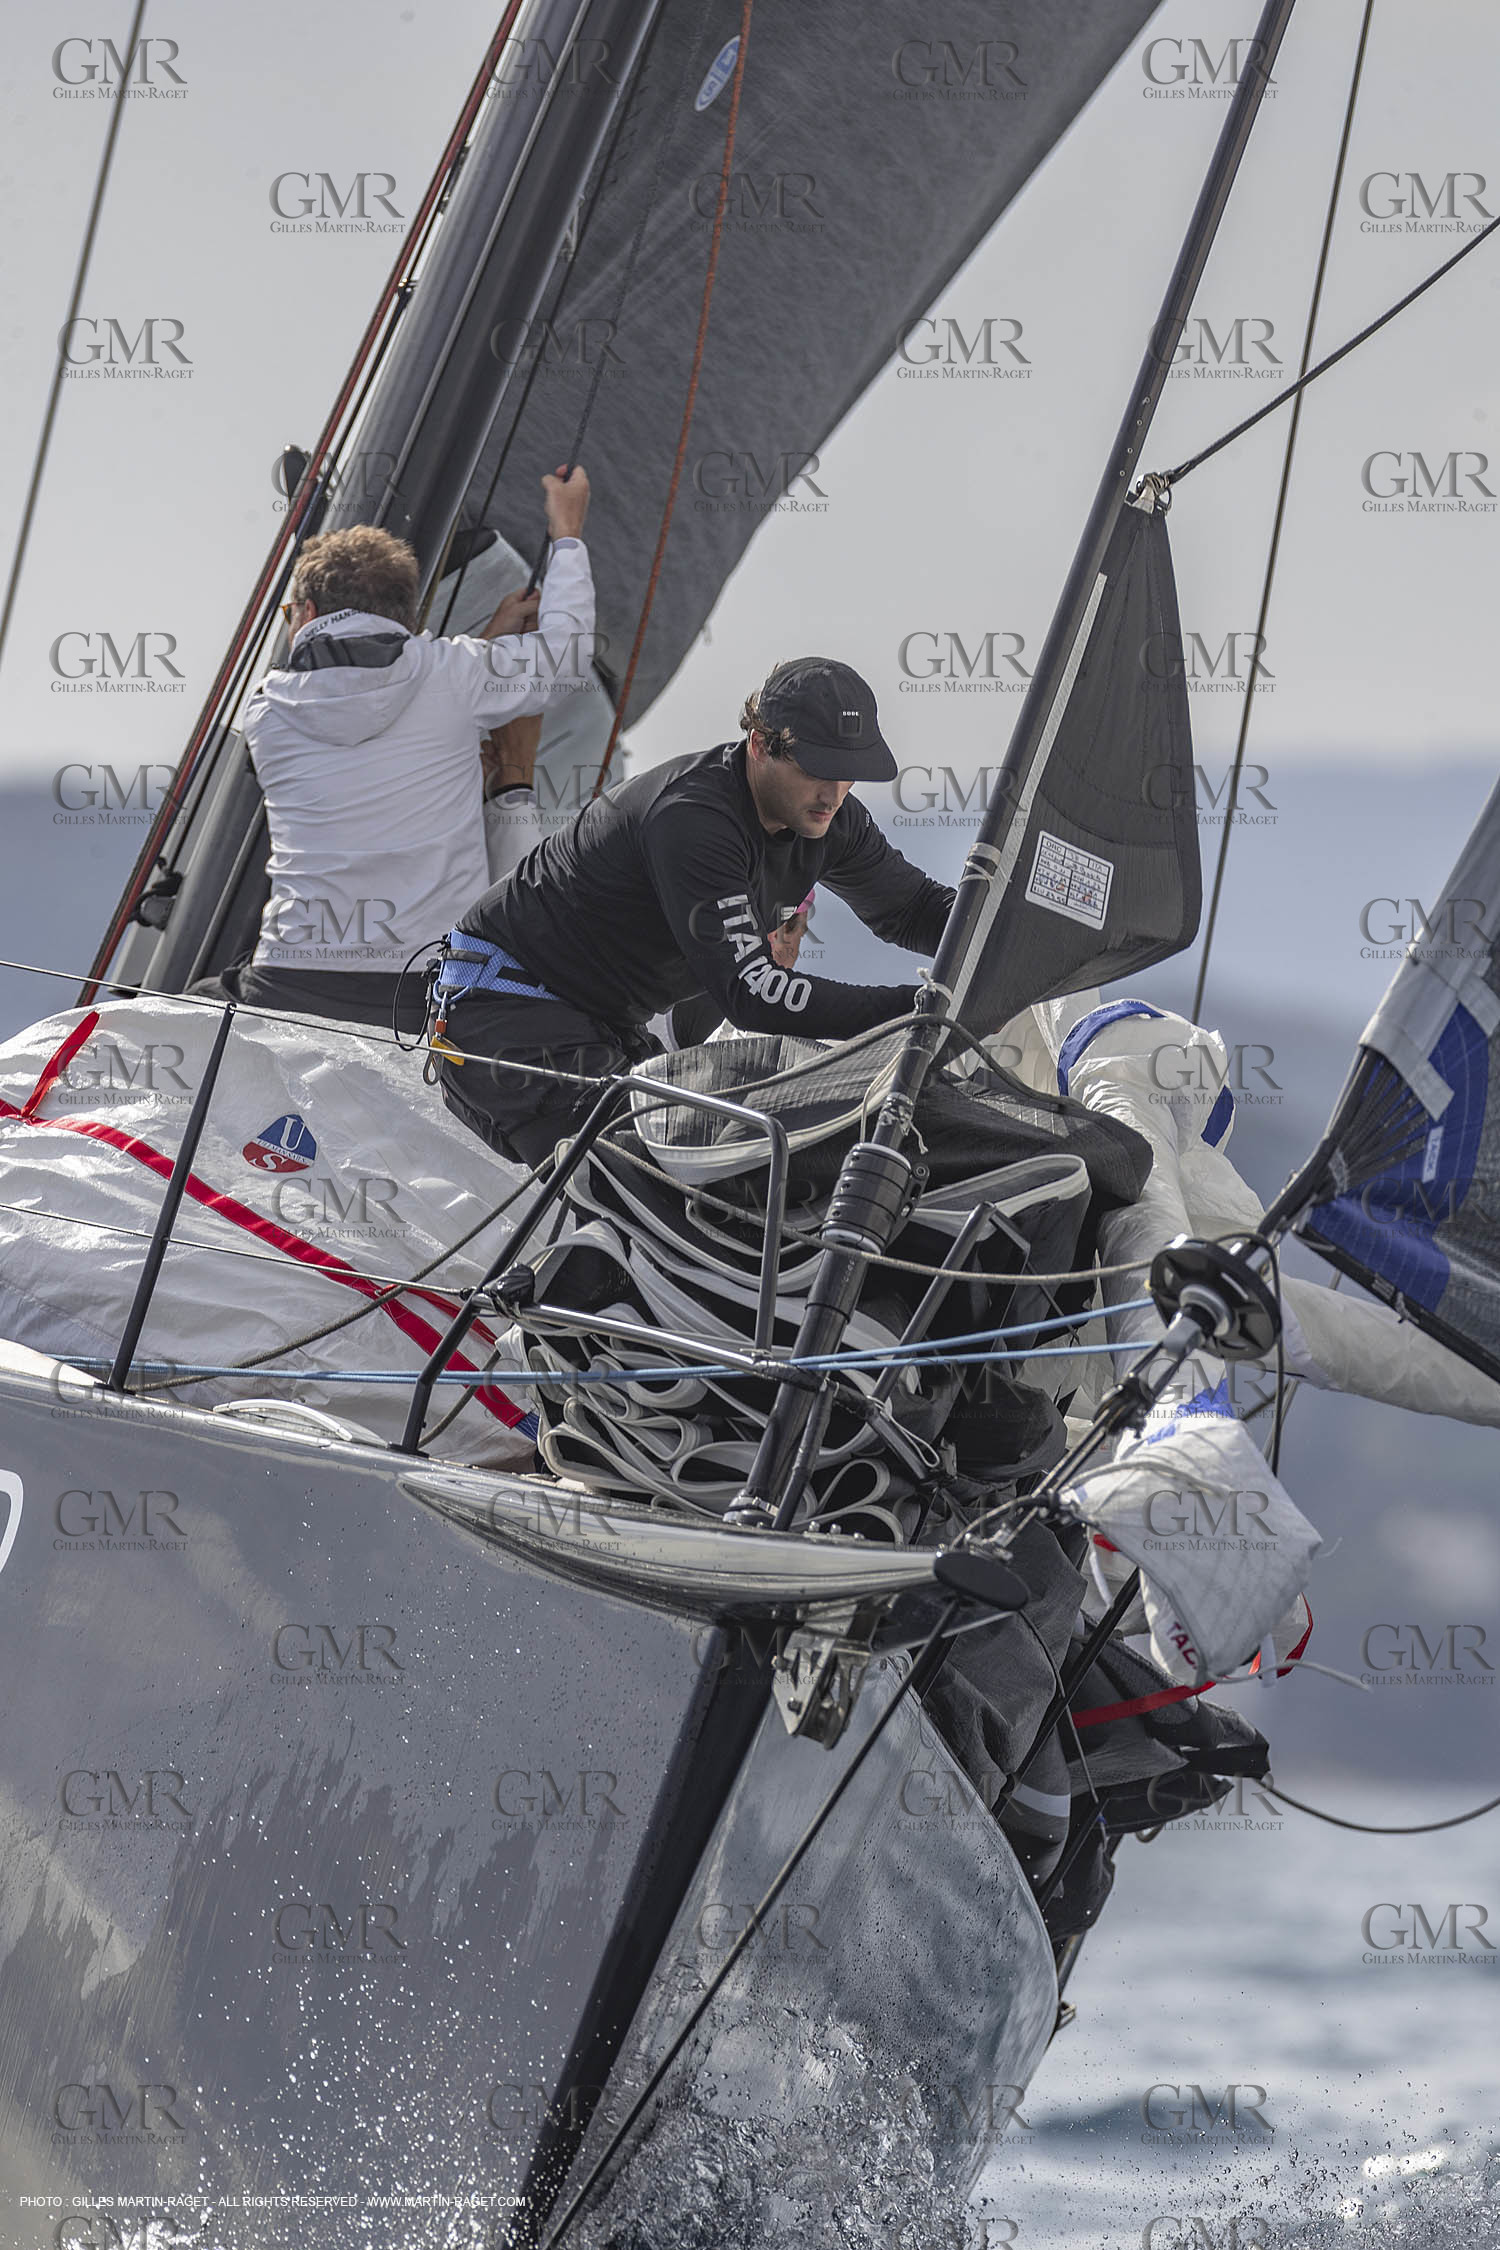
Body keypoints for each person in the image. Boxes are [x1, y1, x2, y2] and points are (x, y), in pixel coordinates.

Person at [435, 656, 956, 1164]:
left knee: (749, 1159)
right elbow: (752, 992)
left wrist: (998, 945)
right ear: (759, 745)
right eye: (818, 769)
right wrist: (922, 1011)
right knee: (669, 1174)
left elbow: (915, 911)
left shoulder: (832, 820)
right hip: (506, 1011)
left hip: (599, 1021)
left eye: (851, 773)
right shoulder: (693, 817)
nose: (834, 793)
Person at [229, 465, 594, 1033]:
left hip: (290, 973)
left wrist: (480, 650)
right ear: (405, 613)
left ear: (306, 614)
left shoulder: (265, 712)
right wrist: (566, 533)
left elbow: (387, 693)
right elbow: (564, 655)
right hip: (421, 985)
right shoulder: (457, 673)